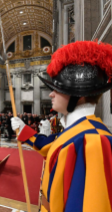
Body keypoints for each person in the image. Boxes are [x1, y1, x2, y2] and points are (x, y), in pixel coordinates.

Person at [11, 41, 112, 212]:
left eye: (57, 89)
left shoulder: (94, 140)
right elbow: (51, 146)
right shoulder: (79, 130)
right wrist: (23, 130)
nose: (51, 94)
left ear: (77, 95)